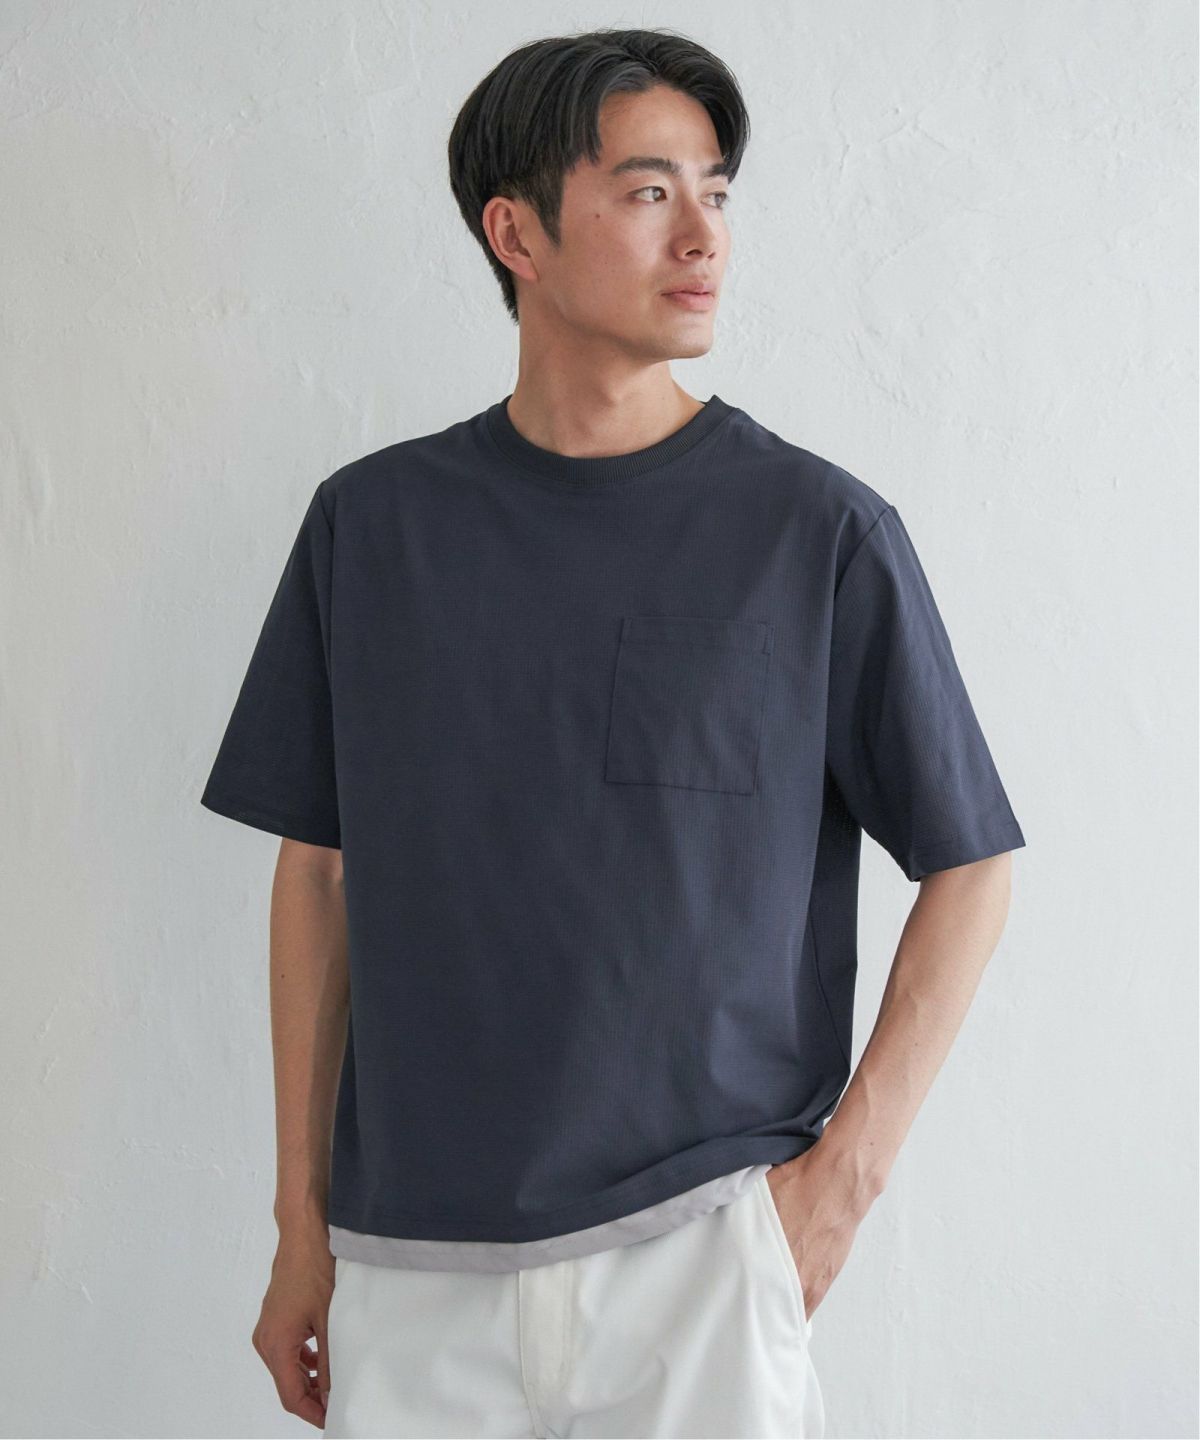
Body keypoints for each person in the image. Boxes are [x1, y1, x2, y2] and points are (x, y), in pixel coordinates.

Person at [199, 26, 1026, 1440]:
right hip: (416, 1264)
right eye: (649, 191)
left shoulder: (814, 532)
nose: (703, 235)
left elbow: (972, 863)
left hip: (704, 1251)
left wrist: (837, 1190)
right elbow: (318, 876)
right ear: (515, 232)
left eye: (717, 190)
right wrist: (299, 1230)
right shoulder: (372, 530)